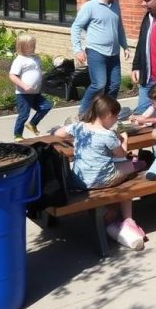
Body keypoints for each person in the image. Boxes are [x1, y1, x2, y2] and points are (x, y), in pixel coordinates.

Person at [54, 95, 145, 246]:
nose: (115, 121)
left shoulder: (79, 127)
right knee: (134, 165)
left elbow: (58, 133)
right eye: (115, 118)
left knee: (117, 163)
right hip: (103, 179)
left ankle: (111, 210)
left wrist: (75, 140)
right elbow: (121, 154)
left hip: (79, 180)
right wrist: (124, 138)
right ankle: (139, 165)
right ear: (109, 115)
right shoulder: (108, 135)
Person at [70, 0, 131, 116]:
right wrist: (77, 49)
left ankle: (107, 113)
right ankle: (83, 113)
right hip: (96, 52)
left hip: (114, 53)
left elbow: (119, 27)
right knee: (99, 84)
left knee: (114, 85)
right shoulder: (90, 6)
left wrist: (125, 46)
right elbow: (76, 27)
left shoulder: (115, 5)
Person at [8, 33, 51, 141]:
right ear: (22, 47)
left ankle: (32, 124)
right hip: (23, 94)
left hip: (36, 92)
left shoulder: (35, 58)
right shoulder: (19, 60)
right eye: (31, 46)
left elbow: (37, 71)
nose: (34, 47)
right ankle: (17, 135)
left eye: (34, 45)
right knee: (24, 115)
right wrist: (24, 86)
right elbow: (12, 75)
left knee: (46, 106)